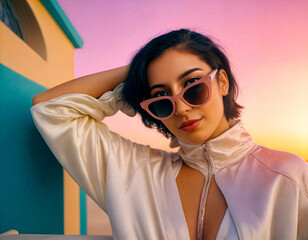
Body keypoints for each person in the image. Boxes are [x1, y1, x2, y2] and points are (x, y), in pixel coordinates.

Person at [31, 29, 308, 240]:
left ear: (222, 82)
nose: (182, 108)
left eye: (193, 86)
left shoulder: (287, 177)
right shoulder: (134, 173)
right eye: (161, 97)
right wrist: (139, 73)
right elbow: (50, 109)